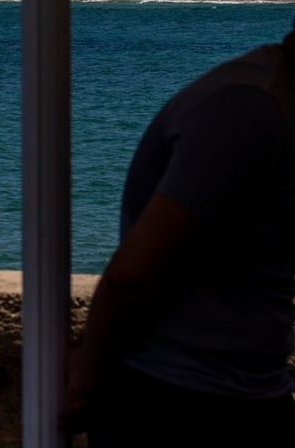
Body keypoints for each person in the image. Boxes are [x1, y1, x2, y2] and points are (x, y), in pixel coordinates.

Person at [64, 24, 295, 445]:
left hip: (233, 392)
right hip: (182, 404)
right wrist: (86, 374)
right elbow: (132, 275)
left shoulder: (268, 101)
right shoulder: (253, 110)